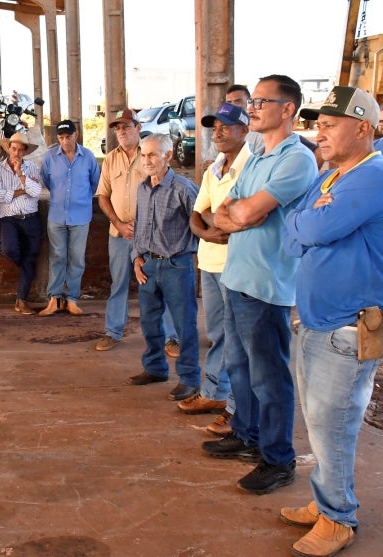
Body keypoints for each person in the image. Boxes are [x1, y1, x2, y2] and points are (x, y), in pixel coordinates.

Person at [201, 74, 318, 496]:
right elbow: (223, 211)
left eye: (261, 101)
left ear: (288, 110)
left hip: (266, 283)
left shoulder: (296, 159)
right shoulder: (256, 153)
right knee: (240, 367)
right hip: (237, 276)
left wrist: (241, 211)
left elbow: (246, 214)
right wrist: (239, 211)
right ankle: (247, 436)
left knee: (269, 377)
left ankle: (277, 459)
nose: (252, 107)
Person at [280, 86, 383, 557]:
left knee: (333, 423)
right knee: (318, 421)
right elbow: (294, 233)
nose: (319, 133)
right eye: (317, 125)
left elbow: (313, 229)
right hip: (319, 321)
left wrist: (310, 224)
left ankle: (339, 517)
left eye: (330, 124)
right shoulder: (333, 177)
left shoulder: (372, 175)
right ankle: (326, 503)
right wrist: (309, 224)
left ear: (363, 127)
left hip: (347, 324)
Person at [179, 103, 252, 431]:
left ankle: (237, 409)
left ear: (245, 130)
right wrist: (210, 228)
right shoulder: (213, 170)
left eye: (226, 125)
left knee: (238, 339)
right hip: (209, 261)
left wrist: (218, 217)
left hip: (238, 265)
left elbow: (240, 216)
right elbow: (199, 214)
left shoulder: (253, 167)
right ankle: (214, 392)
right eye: (214, 126)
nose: (218, 132)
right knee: (219, 334)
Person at [94, 109, 181, 353]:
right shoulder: (110, 158)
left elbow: (162, 193)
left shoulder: (149, 154)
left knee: (157, 283)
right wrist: (119, 224)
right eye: (117, 129)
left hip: (151, 234)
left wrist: (144, 227)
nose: (121, 132)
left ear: (138, 127)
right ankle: (113, 332)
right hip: (120, 234)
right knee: (118, 283)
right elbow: (103, 196)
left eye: (126, 127)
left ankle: (171, 337)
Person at [125, 133, 201, 402]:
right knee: (149, 322)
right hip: (147, 266)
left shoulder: (183, 188)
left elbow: (202, 223)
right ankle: (155, 368)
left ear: (167, 156)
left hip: (176, 265)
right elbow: (139, 227)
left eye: (153, 155)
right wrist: (136, 258)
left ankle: (190, 379)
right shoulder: (143, 188)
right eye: (143, 155)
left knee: (184, 325)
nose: (147, 160)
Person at [39, 119, 100, 316]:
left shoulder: (88, 157)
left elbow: (95, 184)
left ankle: (72, 298)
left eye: (68, 136)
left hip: (81, 215)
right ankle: (54, 299)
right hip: (56, 214)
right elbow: (47, 181)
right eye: (61, 137)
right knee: (57, 256)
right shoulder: (50, 157)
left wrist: (80, 199)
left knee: (76, 258)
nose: (65, 141)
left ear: (76, 135)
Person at [0, 131, 42, 314]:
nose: (16, 153)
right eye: (13, 148)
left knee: (31, 255)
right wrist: (22, 189)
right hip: (8, 218)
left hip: (31, 217)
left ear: (25, 152)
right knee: (10, 249)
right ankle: (26, 268)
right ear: (8, 149)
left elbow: (36, 192)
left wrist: (20, 174)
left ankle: (22, 300)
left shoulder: (33, 168)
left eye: (20, 150)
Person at [203, 84, 265, 169]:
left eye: (238, 101)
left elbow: (257, 166)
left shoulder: (259, 133)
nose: (232, 105)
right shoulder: (219, 136)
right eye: (229, 102)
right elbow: (208, 163)